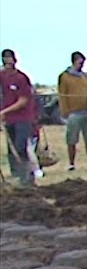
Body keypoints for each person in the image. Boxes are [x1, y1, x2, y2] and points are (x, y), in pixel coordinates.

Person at [1, 49, 41, 186]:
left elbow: (23, 100)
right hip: (9, 119)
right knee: (11, 150)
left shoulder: (21, 78)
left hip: (23, 118)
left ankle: (28, 176)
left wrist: (4, 111)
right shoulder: (2, 76)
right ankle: (16, 176)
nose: (7, 61)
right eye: (4, 59)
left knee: (21, 146)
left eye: (9, 58)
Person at [57, 51, 87, 171]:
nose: (82, 64)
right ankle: (71, 163)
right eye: (80, 61)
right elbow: (62, 94)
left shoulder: (85, 76)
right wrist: (65, 111)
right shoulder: (65, 76)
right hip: (73, 112)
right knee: (72, 139)